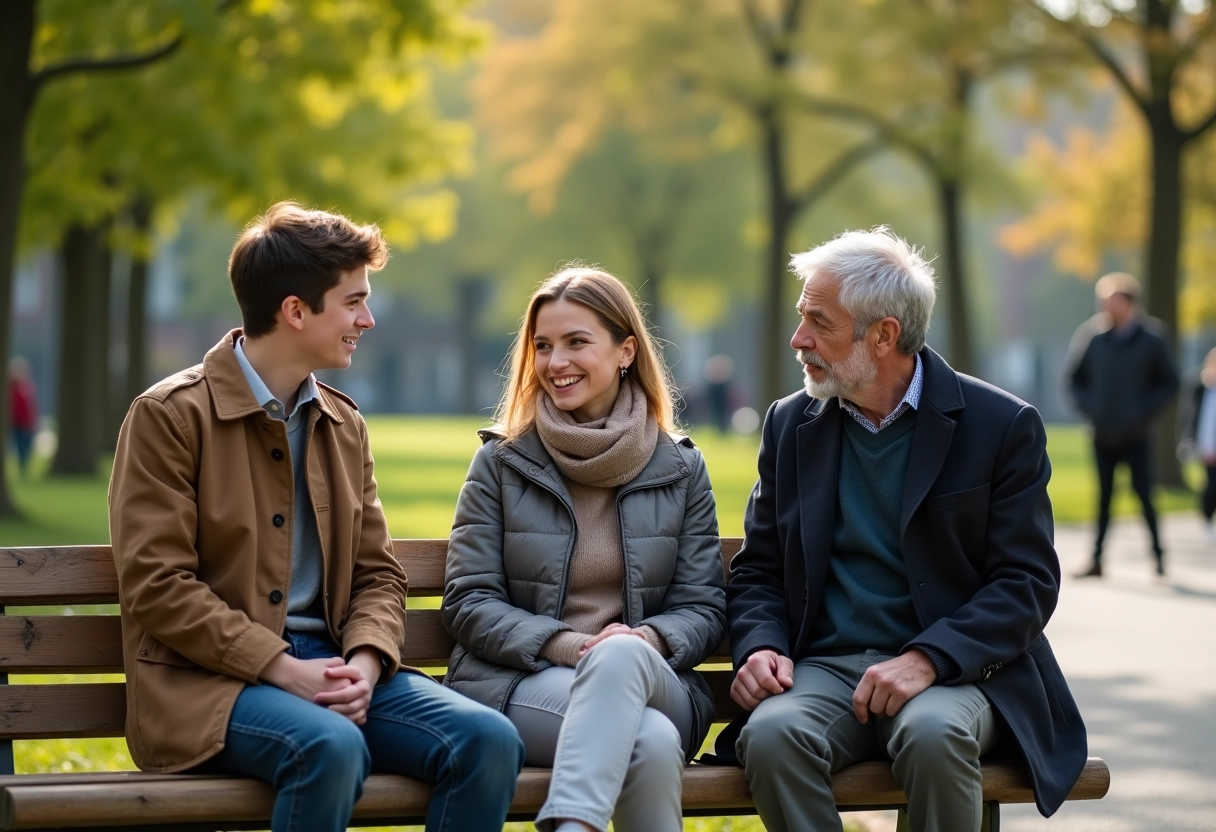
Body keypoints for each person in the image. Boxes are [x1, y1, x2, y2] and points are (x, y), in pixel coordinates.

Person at [108, 202, 524, 832]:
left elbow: (377, 575)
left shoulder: (342, 424)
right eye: (353, 301)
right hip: (209, 686)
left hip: (333, 667)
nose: (368, 318)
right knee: (328, 746)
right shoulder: (170, 416)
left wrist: (362, 663)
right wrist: (278, 666)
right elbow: (158, 587)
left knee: (488, 742)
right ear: (296, 311)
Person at [721, 228, 1088, 832]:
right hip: (826, 667)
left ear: (884, 334)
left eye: (819, 321)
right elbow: (760, 566)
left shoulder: (1000, 425)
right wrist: (761, 644)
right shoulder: (791, 424)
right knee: (770, 736)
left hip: (957, 672)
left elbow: (1025, 583)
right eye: (800, 316)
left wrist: (928, 658)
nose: (799, 339)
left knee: (934, 733)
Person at [442, 266, 726, 832]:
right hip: (523, 683)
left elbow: (704, 608)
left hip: (655, 678)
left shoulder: (680, 467)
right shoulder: (501, 464)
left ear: (625, 351)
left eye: (576, 342)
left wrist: (645, 639)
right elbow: (469, 602)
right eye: (543, 346)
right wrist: (570, 645)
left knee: (622, 658)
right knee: (649, 741)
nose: (555, 362)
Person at [1066, 273, 1179, 577]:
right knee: (1103, 498)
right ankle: (1097, 560)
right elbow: (1074, 380)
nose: (1104, 307)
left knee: (1145, 495)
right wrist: (1092, 410)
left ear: (1128, 303)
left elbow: (1170, 381)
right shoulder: (1092, 337)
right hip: (1102, 434)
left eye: (1110, 301)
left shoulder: (1152, 339)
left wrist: (1142, 410)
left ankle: (1158, 558)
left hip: (1137, 434)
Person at [1180, 347, 1216, 539]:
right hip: (1207, 443)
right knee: (1211, 484)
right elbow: (1190, 416)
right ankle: (1207, 519)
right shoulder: (1199, 387)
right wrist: (1188, 439)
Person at [7, 357, 37, 477]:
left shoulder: (28, 386)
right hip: (16, 423)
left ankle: (24, 469)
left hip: (27, 423)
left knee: (27, 447)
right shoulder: (11, 388)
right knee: (20, 447)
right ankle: (22, 469)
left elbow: (32, 406)